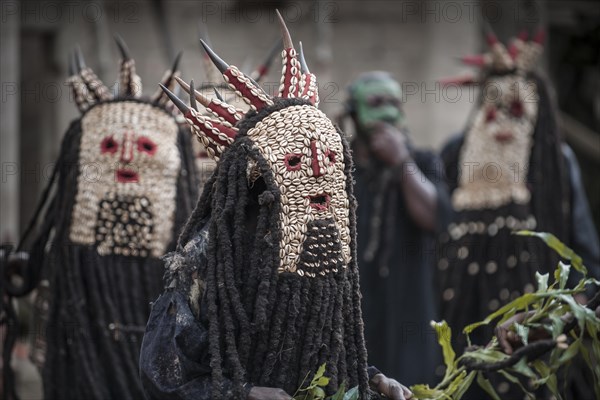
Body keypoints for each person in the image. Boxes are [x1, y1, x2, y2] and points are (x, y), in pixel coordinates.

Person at [140, 12, 413, 400]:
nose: (321, 175)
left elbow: (327, 351)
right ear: (258, 176)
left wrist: (370, 380)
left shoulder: (326, 253)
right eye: (297, 162)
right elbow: (163, 373)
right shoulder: (211, 253)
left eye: (332, 162)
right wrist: (246, 394)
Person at [8, 37, 199, 399]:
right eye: (110, 147)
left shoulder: (190, 262)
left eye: (145, 148)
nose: (127, 158)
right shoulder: (66, 270)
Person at [437, 28, 600, 398]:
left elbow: (585, 255)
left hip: (532, 334)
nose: (502, 122)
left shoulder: (555, 162)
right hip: (461, 319)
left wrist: (568, 310)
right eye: (493, 106)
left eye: (515, 107)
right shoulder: (454, 155)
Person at [340, 71, 450, 386]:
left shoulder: (423, 161)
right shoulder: (339, 168)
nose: (387, 111)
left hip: (409, 316)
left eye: (393, 103)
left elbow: (434, 217)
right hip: (356, 315)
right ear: (354, 111)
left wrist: (402, 159)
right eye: (376, 102)